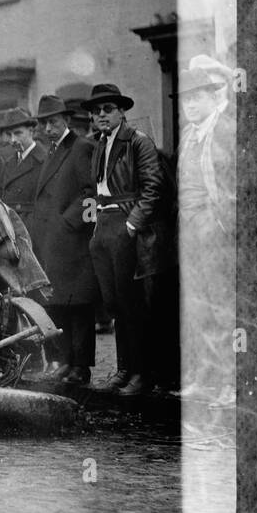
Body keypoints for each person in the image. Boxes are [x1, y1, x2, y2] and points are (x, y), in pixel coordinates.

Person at [84, 82, 165, 397]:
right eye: (96, 111)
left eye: (107, 109)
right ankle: (124, 368)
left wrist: (132, 225)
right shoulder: (100, 143)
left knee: (132, 303)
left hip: (125, 223)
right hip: (103, 225)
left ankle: (142, 373)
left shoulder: (137, 142)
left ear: (121, 112)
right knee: (113, 301)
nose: (101, 115)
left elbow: (152, 186)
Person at [173, 67, 237, 409]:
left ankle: (230, 382)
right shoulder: (188, 135)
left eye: (197, 98)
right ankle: (204, 379)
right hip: (189, 227)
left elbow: (238, 186)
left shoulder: (226, 131)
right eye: (186, 99)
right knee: (196, 306)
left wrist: (221, 223)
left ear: (214, 98)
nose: (190, 105)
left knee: (221, 306)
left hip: (215, 228)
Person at [30, 94, 99, 386]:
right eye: (44, 123)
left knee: (79, 305)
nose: (48, 128)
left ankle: (81, 366)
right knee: (60, 304)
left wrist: (67, 223)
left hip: (73, 243)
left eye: (53, 122)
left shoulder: (81, 147)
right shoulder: (53, 151)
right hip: (53, 243)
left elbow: (91, 193)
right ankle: (68, 362)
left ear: (66, 120)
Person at [0, 107, 47, 228]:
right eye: (9, 134)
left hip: (34, 230)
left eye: (18, 133)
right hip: (10, 230)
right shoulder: (9, 163)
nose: (13, 140)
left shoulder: (45, 162)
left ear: (31, 131)